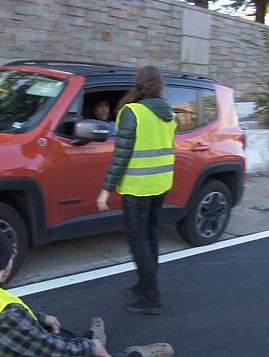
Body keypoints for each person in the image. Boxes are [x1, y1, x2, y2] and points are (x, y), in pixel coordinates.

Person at [0, 227, 174, 357]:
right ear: (7, 264)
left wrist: (40, 319)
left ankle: (88, 338)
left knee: (50, 331)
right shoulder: (4, 317)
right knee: (70, 349)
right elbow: (49, 352)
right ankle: (132, 354)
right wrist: (90, 349)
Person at [96, 66, 176, 315]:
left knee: (138, 240)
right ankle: (144, 285)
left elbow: (121, 155)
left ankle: (152, 297)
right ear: (159, 86)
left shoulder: (133, 112)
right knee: (150, 236)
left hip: (138, 187)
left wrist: (105, 191)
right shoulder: (167, 113)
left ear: (139, 84)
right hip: (160, 183)